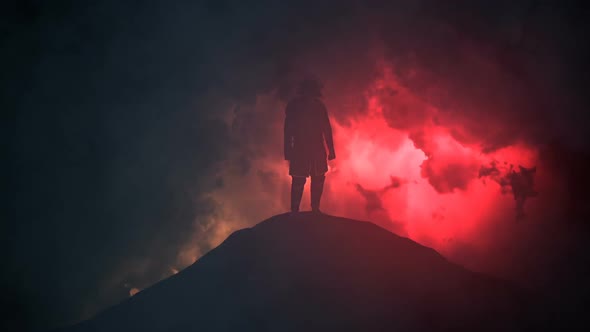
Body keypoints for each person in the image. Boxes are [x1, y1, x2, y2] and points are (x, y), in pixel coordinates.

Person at [284, 78, 335, 213]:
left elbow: (326, 129)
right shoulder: (294, 106)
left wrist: (331, 149)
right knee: (298, 181)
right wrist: (288, 150)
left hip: (316, 148)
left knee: (318, 179)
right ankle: (295, 210)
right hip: (301, 148)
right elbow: (288, 130)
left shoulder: (319, 106)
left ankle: (315, 209)